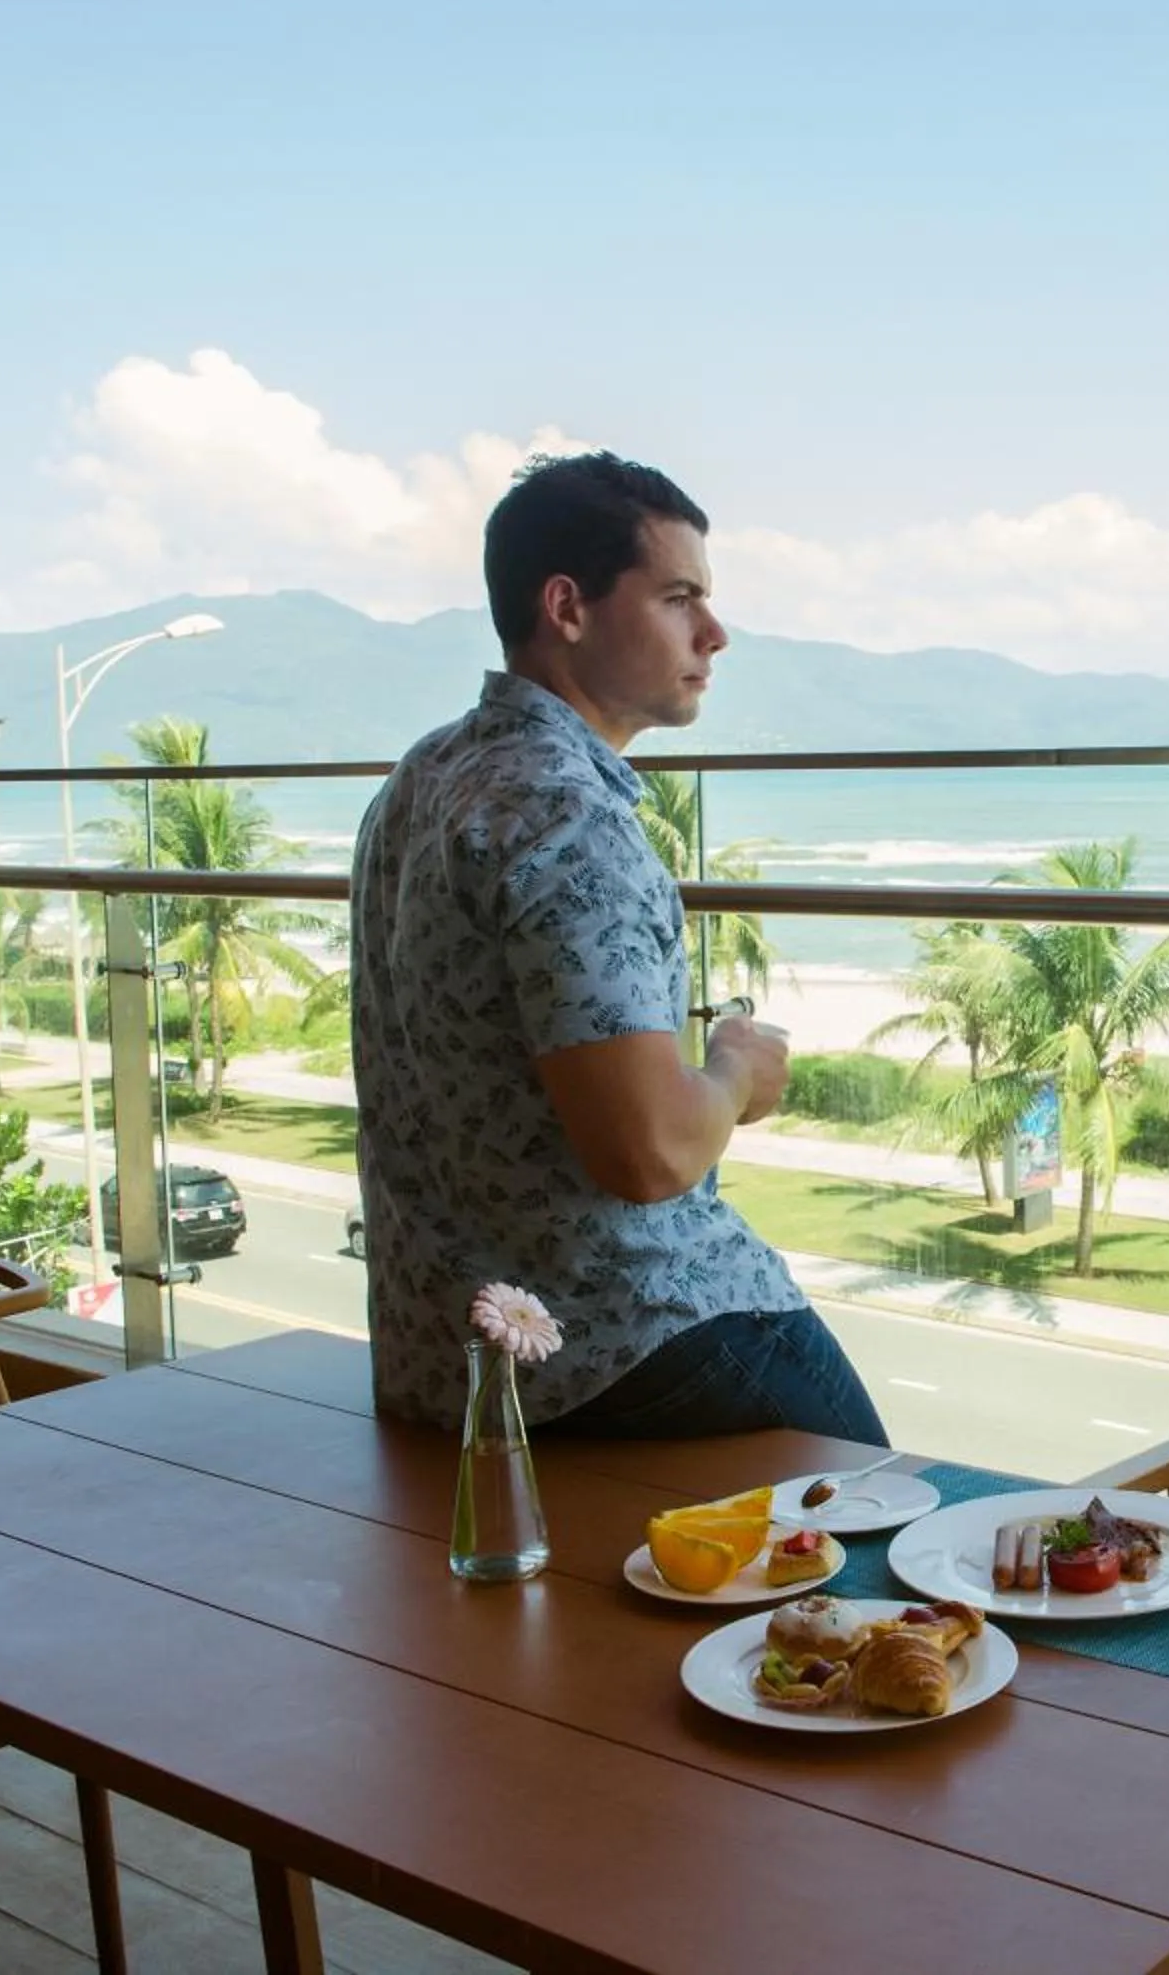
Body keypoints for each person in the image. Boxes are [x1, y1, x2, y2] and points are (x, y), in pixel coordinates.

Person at [349, 451, 887, 1445]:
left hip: (441, 1351)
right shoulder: (568, 813)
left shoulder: (423, 778)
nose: (714, 633)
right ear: (568, 606)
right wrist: (733, 1072)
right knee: (875, 1518)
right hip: (616, 1345)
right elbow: (648, 1151)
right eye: (679, 597)